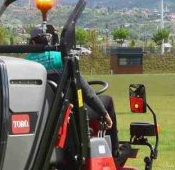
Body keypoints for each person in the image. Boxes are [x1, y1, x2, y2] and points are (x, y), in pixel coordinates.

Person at [26, 25, 119, 156]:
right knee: (107, 101)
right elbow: (87, 92)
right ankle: (115, 153)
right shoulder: (61, 58)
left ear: (32, 42)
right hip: (67, 112)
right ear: (51, 40)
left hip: (42, 113)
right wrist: (104, 113)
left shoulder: (26, 62)